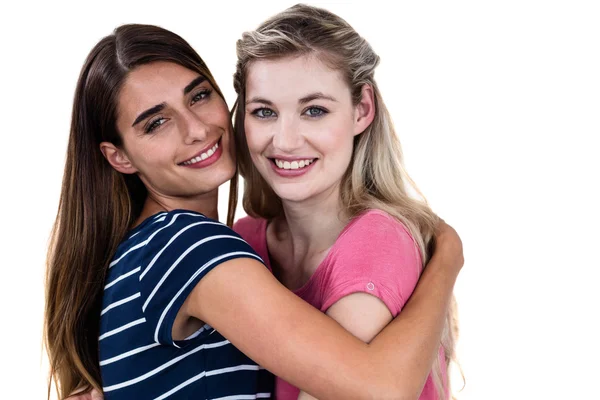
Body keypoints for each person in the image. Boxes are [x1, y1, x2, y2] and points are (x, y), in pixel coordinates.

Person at [45, 23, 463, 400]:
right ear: (119, 157)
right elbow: (379, 390)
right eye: (156, 123)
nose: (197, 129)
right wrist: (446, 257)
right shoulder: (189, 248)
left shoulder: (176, 248)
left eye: (199, 96)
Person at [232, 4, 459, 399]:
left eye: (314, 110)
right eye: (264, 111)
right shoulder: (244, 240)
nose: (285, 141)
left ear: (362, 110)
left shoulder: (379, 239)